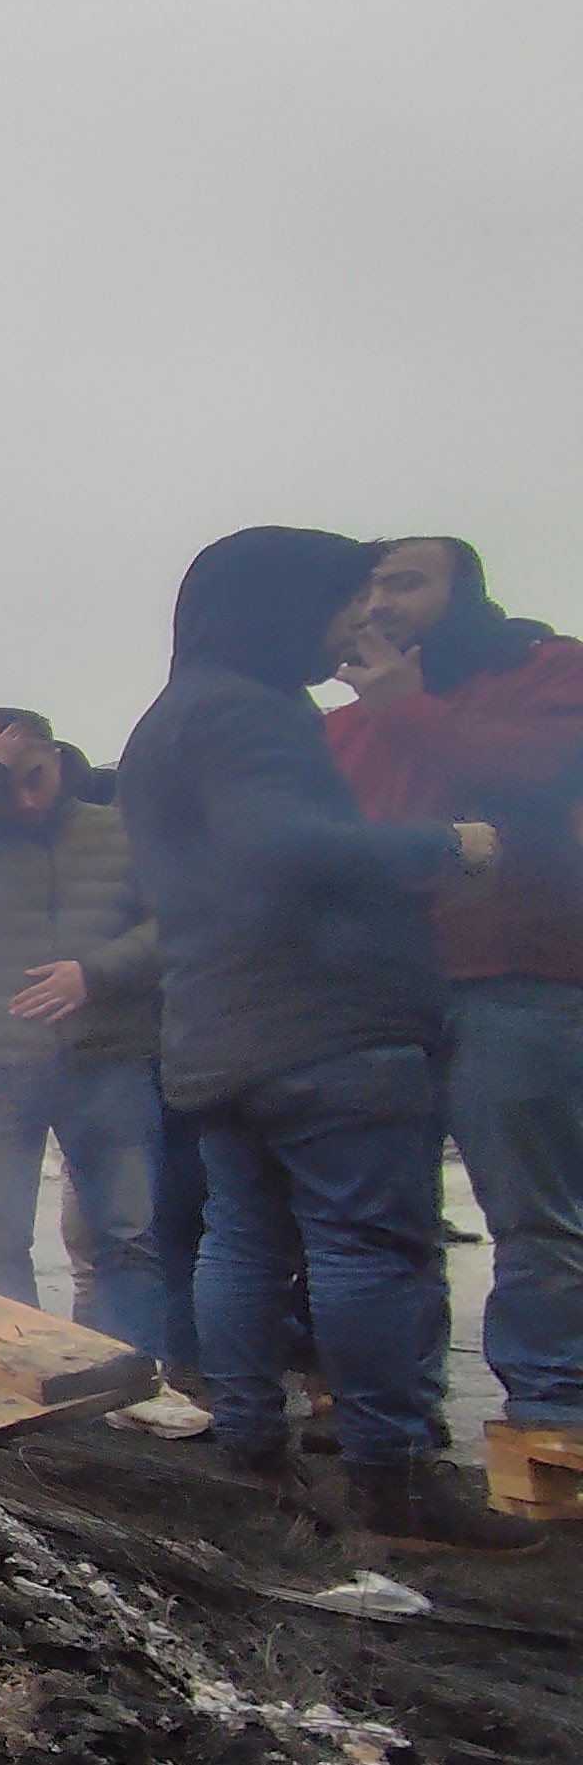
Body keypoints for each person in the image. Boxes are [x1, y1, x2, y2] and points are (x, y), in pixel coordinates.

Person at [117, 525, 536, 1552]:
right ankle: (390, 1483)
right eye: (343, 600)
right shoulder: (247, 712)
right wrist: (443, 843)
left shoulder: (168, 715)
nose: (358, 620)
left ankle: (252, 1462)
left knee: (245, 1240)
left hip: (217, 1026)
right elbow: (282, 847)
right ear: (277, 605)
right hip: (319, 1024)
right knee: (368, 1247)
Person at [326, 537, 583, 1479]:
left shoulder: (551, 670)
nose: (381, 603)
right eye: (369, 589)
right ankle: (405, 1425)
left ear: (462, 589)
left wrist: (408, 710)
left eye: (405, 582)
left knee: (535, 1214)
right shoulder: (342, 724)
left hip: (519, 977)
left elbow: (546, 779)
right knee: (393, 1221)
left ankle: (551, 1419)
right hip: (387, 992)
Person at [0, 711, 165, 1348]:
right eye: (4, 782)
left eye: (36, 777)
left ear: (58, 760)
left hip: (107, 1056)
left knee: (129, 1235)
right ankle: (20, 1369)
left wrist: (95, 973)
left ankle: (131, 1373)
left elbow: (179, 921)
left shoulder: (121, 828)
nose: (23, 800)